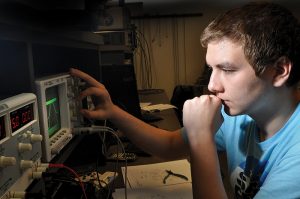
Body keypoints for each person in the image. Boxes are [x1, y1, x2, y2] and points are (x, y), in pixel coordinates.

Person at [70, 2, 300, 198]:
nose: (212, 85)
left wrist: (200, 136)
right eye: (211, 68)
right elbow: (170, 145)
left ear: (279, 71)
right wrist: (112, 111)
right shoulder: (239, 115)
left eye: (227, 69)